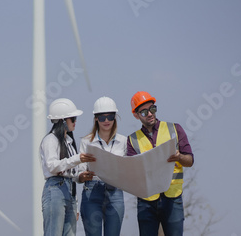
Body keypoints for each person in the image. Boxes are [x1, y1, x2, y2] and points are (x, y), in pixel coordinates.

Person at [126, 91, 194, 236]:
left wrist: (179, 157)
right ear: (136, 115)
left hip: (173, 198)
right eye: (144, 112)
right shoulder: (132, 140)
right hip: (146, 201)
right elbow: (131, 173)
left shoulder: (174, 129)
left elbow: (189, 160)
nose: (150, 114)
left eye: (152, 109)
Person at [40, 98, 97, 236]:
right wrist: (77, 159)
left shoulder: (70, 143)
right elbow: (53, 166)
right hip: (55, 190)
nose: (75, 122)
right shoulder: (50, 140)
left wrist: (80, 177)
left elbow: (70, 173)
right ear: (62, 121)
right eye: (73, 118)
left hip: (69, 191)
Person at [79, 96, 126, 236]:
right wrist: (82, 176)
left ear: (115, 117)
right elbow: (79, 171)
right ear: (95, 118)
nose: (106, 121)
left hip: (115, 192)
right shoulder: (86, 141)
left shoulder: (124, 141)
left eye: (110, 116)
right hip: (92, 191)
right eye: (102, 117)